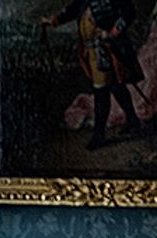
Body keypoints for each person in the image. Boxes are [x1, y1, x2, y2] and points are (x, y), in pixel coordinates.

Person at [40, 1, 145, 149]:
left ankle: (99, 135)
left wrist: (112, 32)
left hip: (106, 50)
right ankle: (133, 121)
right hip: (90, 52)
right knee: (116, 86)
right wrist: (53, 21)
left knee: (102, 91)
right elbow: (73, 10)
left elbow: (129, 13)